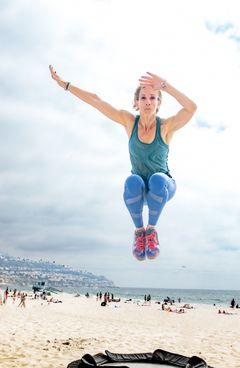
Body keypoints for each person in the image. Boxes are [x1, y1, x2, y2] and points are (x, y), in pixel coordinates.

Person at [49, 66, 197, 260]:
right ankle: (139, 233)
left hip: (163, 188)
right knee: (132, 180)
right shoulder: (129, 122)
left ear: (159, 103)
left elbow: (191, 108)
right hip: (141, 191)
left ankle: (151, 231)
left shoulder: (166, 126)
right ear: (136, 102)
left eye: (153, 98)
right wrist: (66, 85)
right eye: (143, 97)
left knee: (158, 179)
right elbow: (96, 100)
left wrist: (165, 86)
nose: (148, 102)